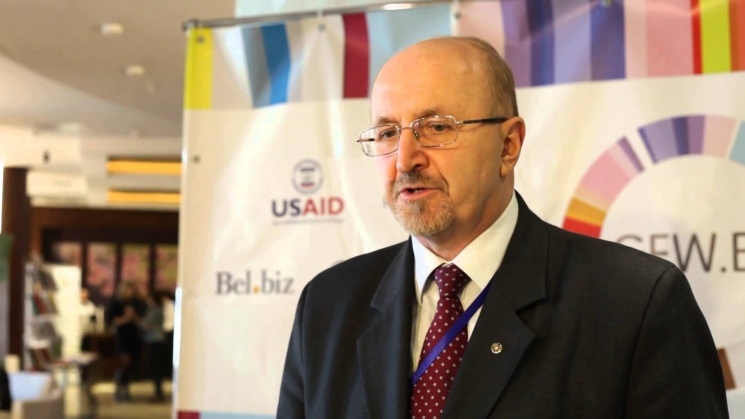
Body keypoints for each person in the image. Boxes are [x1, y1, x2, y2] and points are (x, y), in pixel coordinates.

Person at [277, 36, 728, 418]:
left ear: (508, 145)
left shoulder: (637, 302)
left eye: (436, 127)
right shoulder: (328, 305)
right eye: (388, 133)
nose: (406, 160)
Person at [106, 280, 146, 402]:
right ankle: (120, 387)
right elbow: (112, 320)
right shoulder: (116, 303)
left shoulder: (137, 303)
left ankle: (125, 388)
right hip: (123, 336)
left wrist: (133, 317)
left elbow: (143, 320)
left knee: (133, 363)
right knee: (125, 362)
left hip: (135, 336)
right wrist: (125, 318)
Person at [139, 290, 167, 402]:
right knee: (157, 368)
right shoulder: (160, 310)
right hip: (159, 340)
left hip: (154, 341)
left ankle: (158, 393)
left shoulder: (154, 311)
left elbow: (144, 325)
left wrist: (135, 318)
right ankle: (159, 392)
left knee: (155, 368)